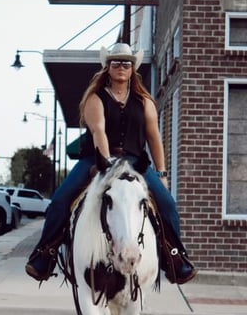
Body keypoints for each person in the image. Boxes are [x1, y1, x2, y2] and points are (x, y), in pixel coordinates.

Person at [25, 42, 197, 284]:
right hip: (97, 160)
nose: (121, 66)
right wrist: (109, 169)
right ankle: (44, 255)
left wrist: (162, 173)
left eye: (126, 62)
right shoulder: (95, 99)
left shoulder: (145, 101)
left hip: (136, 162)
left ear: (133, 68)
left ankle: (176, 259)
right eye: (115, 62)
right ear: (107, 67)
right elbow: (99, 132)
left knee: (167, 205)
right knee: (60, 201)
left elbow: (154, 137)